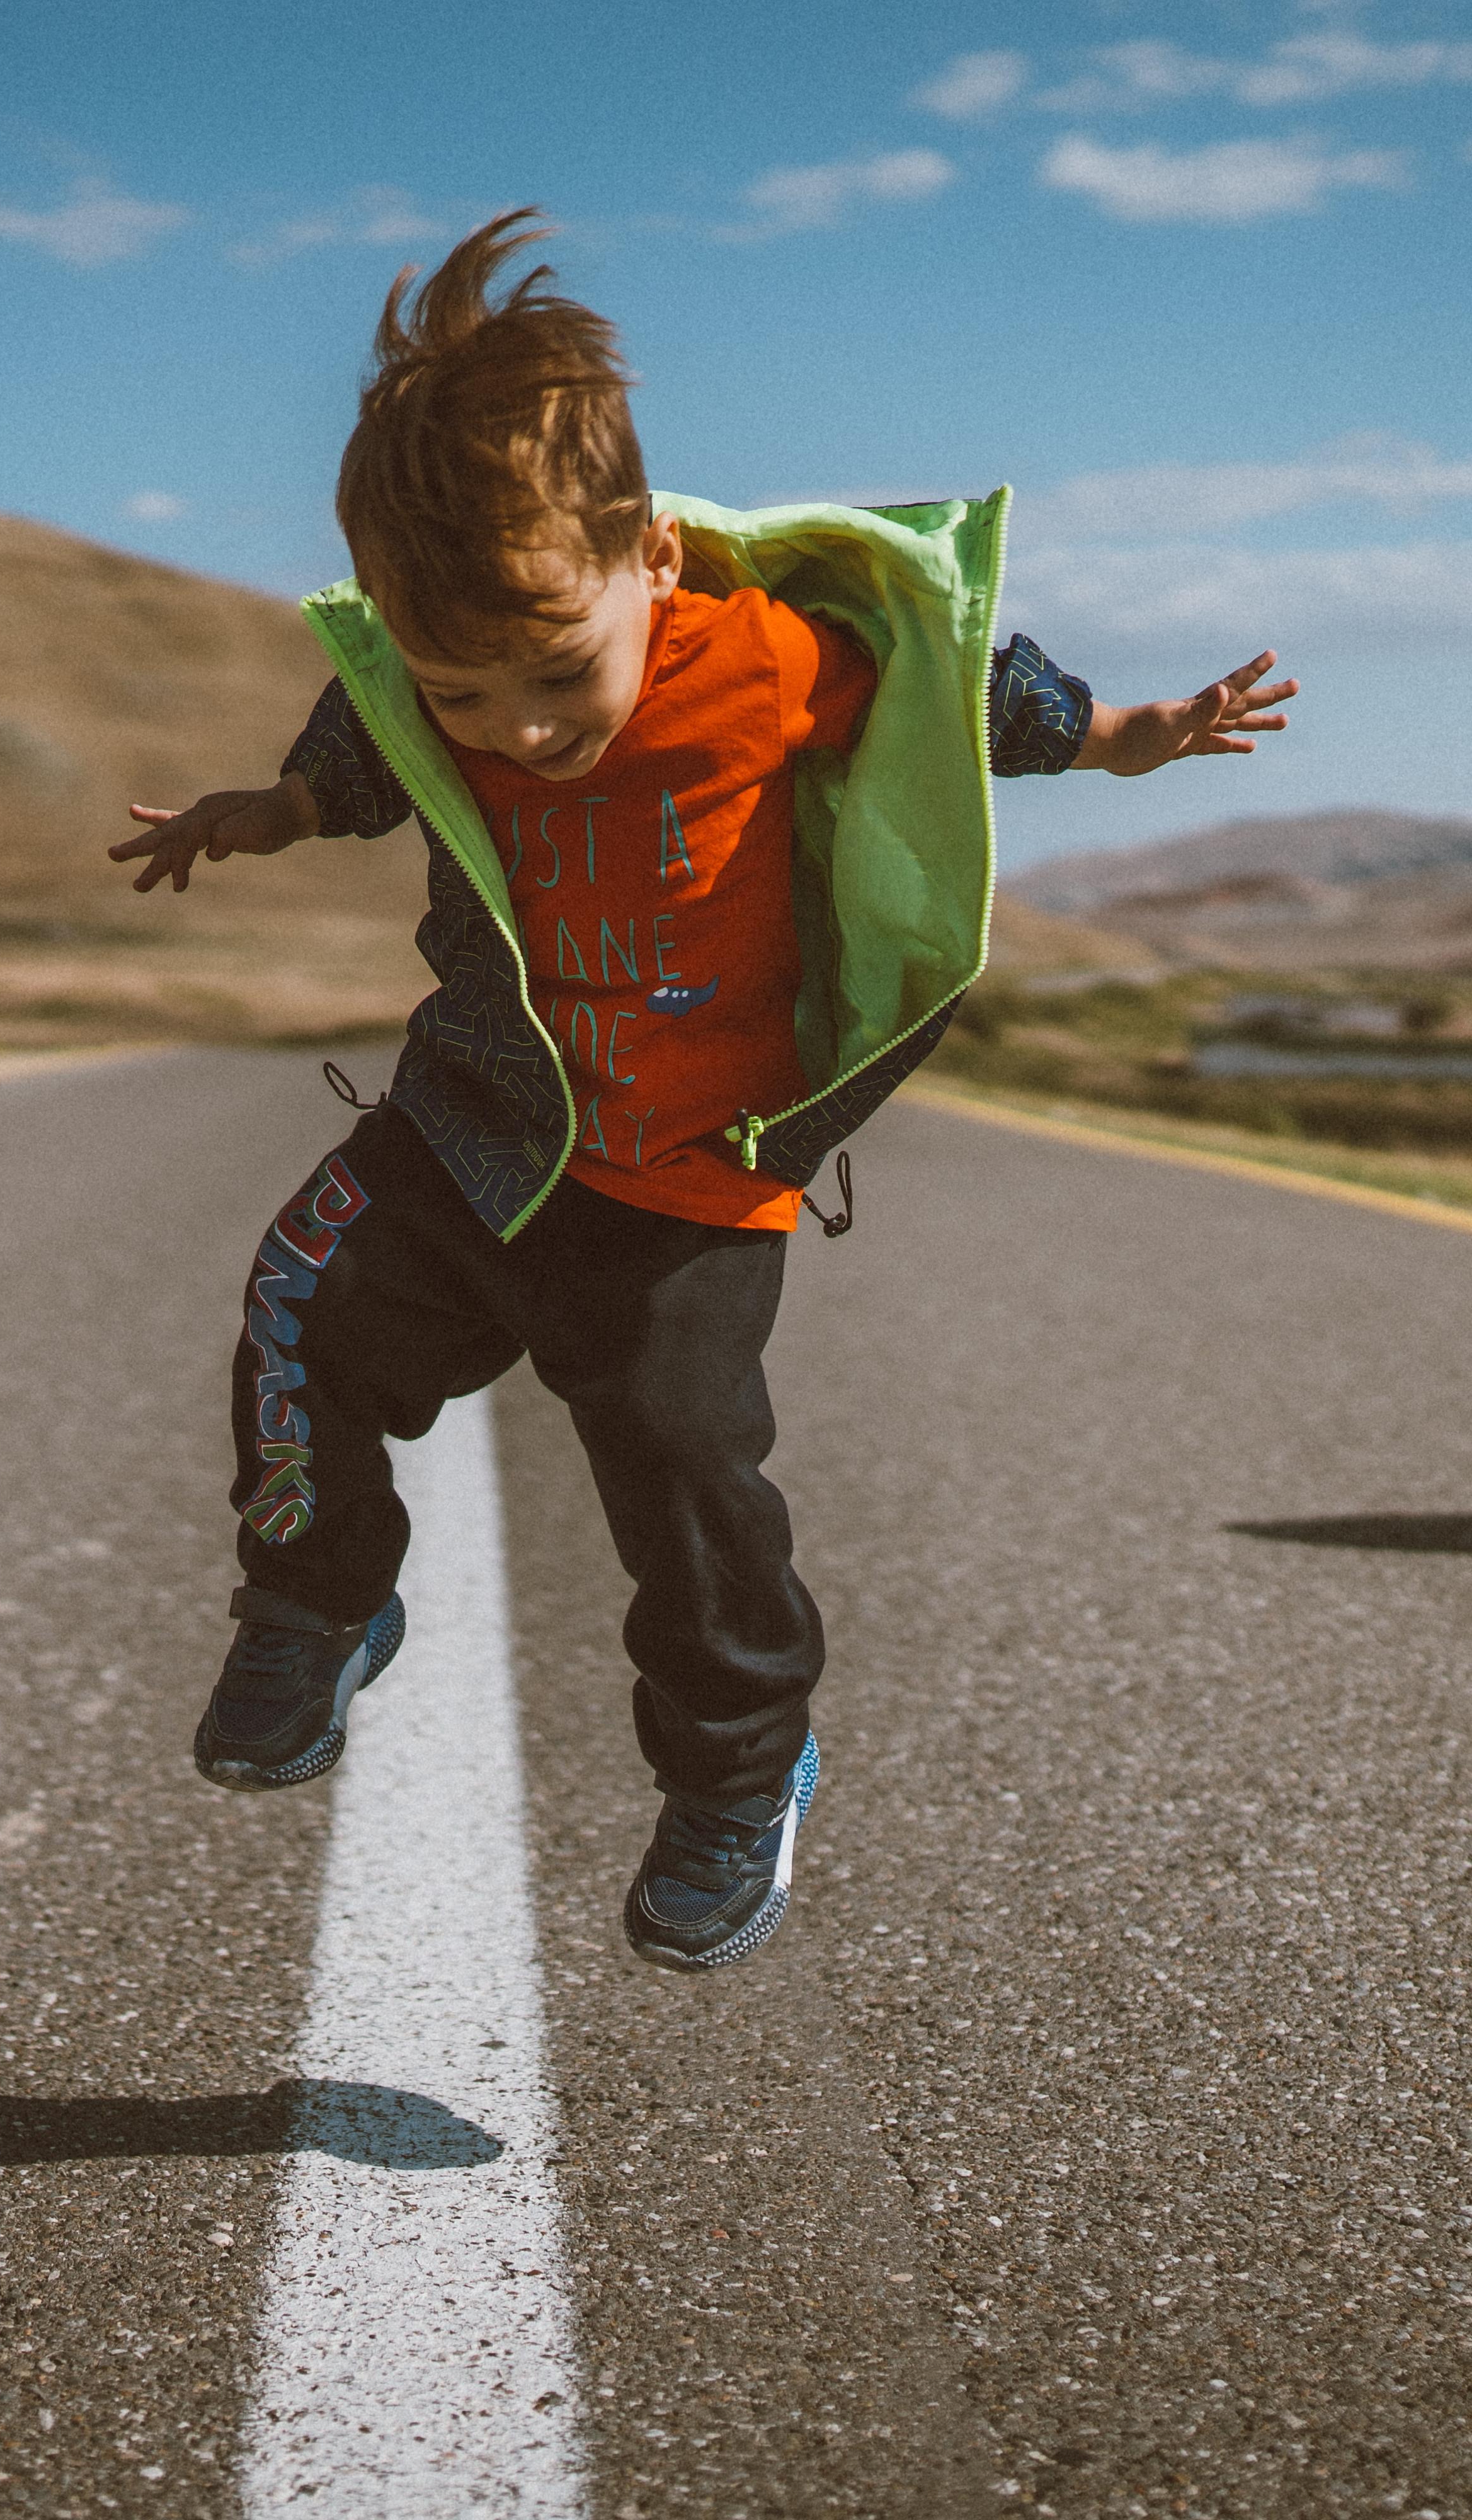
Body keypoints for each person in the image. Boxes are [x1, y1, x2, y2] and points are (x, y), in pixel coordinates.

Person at [108, 210, 1296, 1973]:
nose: (512, 730)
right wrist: (264, 811)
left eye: (553, 674)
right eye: (464, 691)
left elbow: (960, 680)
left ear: (654, 557)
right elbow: (364, 744)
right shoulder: (437, 687)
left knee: (681, 1488)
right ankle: (312, 1599)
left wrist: (1125, 733)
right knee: (297, 1313)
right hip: (473, 1128)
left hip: (683, 1182)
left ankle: (742, 1773)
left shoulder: (767, 654)